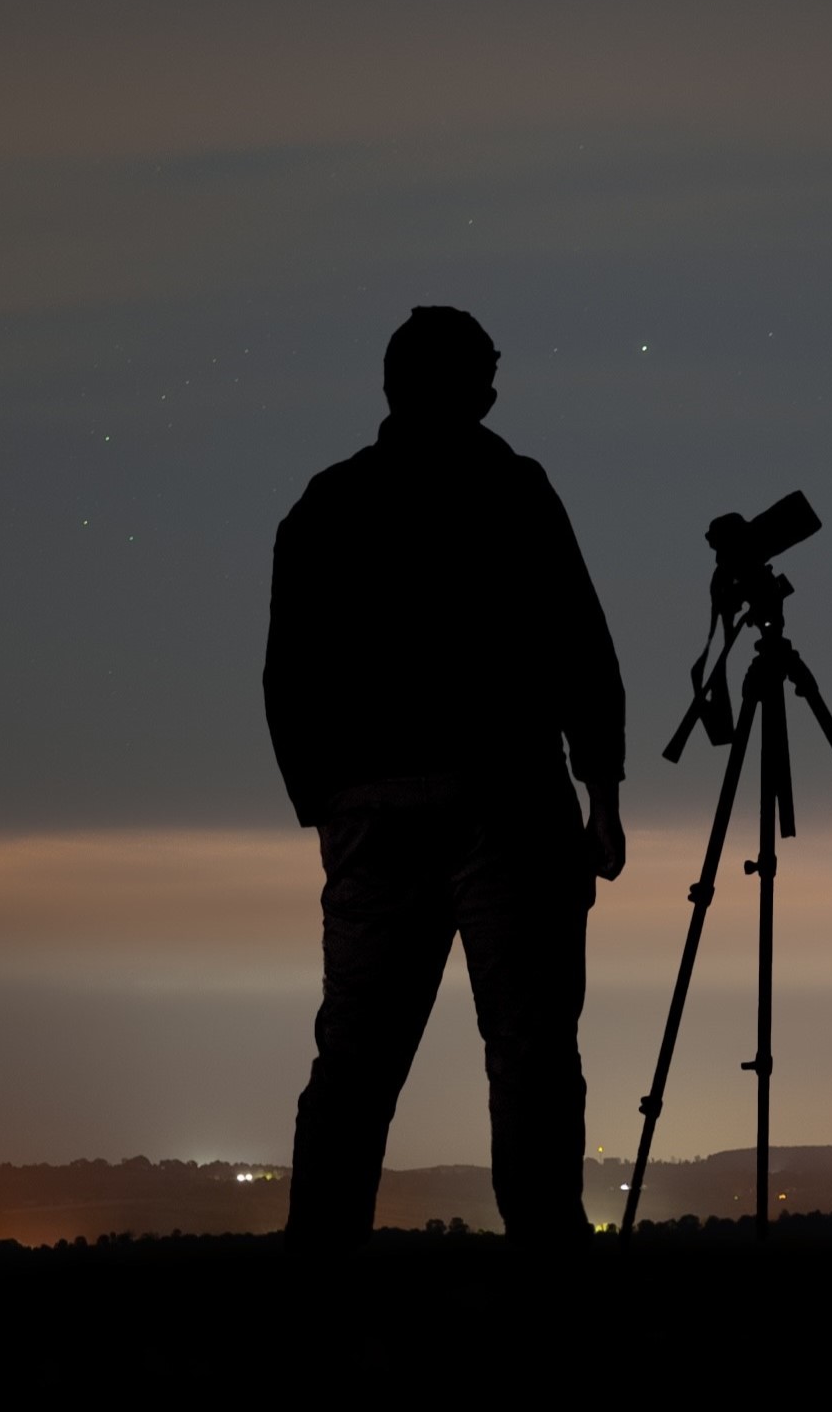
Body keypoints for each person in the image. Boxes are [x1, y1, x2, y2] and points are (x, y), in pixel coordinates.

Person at [265, 305, 628, 1246]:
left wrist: (329, 803)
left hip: (375, 814)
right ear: (473, 388)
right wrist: (604, 791)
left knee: (355, 1057)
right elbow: (578, 642)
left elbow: (286, 673)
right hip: (506, 805)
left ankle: (321, 1264)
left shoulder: (326, 502)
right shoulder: (513, 489)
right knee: (531, 1051)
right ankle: (545, 1254)